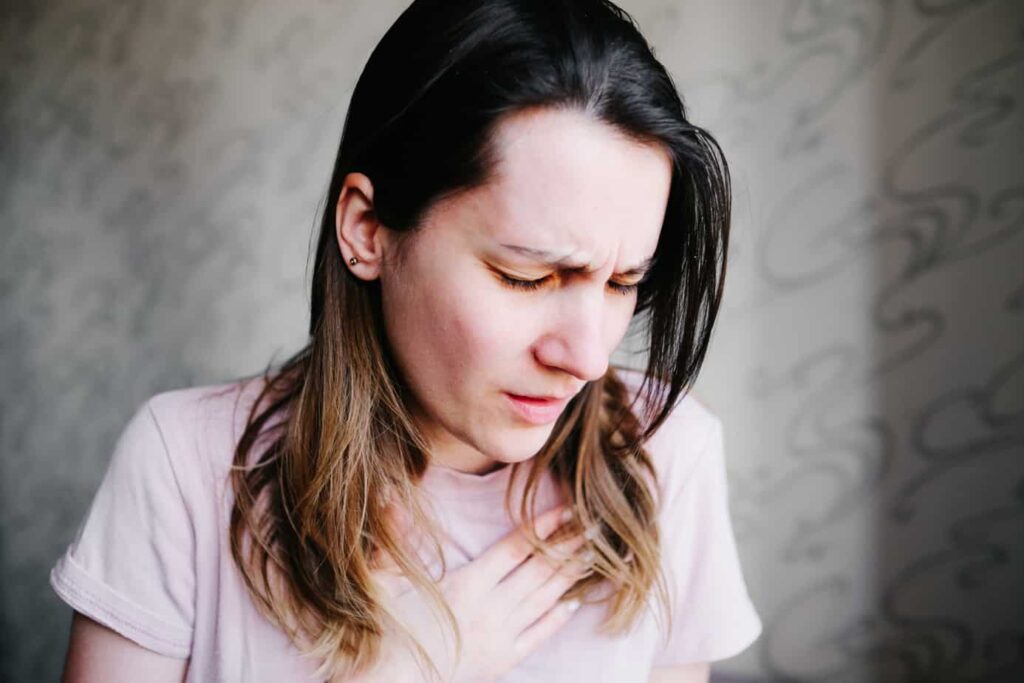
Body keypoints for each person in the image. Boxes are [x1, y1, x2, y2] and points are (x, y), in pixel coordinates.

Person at [49, 0, 763, 680]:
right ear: (367, 230)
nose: (587, 358)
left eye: (622, 282)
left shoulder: (668, 457)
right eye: (526, 276)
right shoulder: (185, 468)